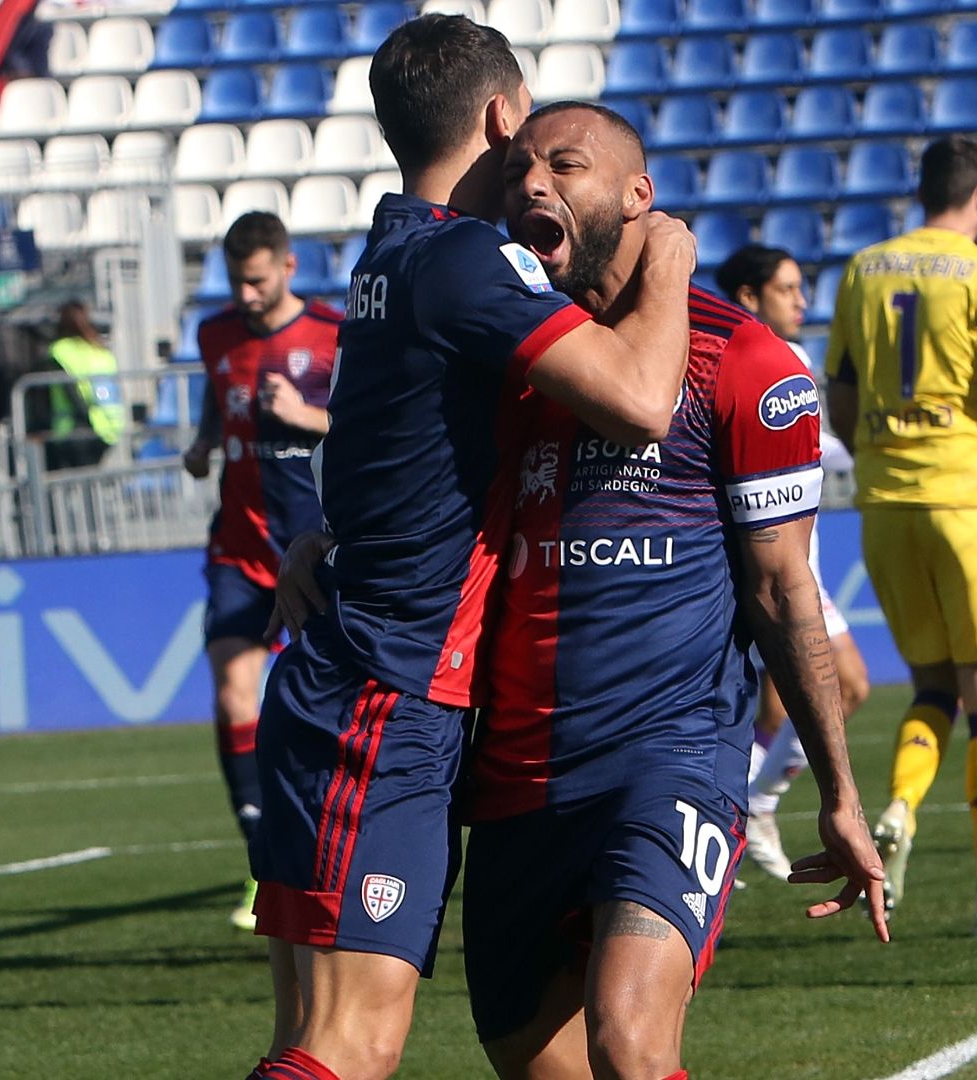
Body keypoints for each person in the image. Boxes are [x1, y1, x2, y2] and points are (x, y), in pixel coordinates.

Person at [244, 17, 704, 1080]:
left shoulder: (390, 245)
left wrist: (328, 530)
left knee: (311, 1041)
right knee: (352, 1045)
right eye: (531, 131)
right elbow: (639, 401)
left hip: (351, 678)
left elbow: (381, 430)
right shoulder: (463, 257)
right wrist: (670, 263)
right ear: (503, 117)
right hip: (387, 692)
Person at [457, 100, 888, 1080]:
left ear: (637, 196)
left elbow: (784, 595)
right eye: (522, 166)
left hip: (671, 759)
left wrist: (839, 790)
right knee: (534, 1058)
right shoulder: (513, 358)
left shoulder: (744, 360)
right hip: (520, 773)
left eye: (565, 165)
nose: (533, 182)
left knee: (631, 1042)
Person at [825, 135, 977, 938]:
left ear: (921, 190)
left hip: (885, 509)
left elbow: (839, 399)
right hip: (966, 507)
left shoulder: (863, 271)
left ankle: (898, 806)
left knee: (932, 685)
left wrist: (881, 461)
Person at [179, 212, 336, 933]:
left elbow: (373, 426)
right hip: (238, 551)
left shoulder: (334, 336)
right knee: (233, 689)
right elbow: (220, 401)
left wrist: (308, 417)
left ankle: (321, 854)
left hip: (317, 552)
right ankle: (260, 852)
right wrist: (205, 442)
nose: (245, 293)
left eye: (258, 279)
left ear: (289, 267)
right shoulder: (215, 335)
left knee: (328, 720)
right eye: (236, 280)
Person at [715, 243, 871, 879]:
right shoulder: (741, 357)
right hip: (768, 567)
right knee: (847, 684)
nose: (803, 300)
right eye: (788, 288)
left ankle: (740, 809)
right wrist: (870, 446)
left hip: (795, 562)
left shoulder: (789, 356)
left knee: (782, 708)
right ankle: (749, 804)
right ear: (750, 296)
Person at [43, 298, 122, 471]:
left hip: (76, 428)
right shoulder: (100, 350)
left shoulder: (60, 351)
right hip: (108, 428)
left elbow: (71, 393)